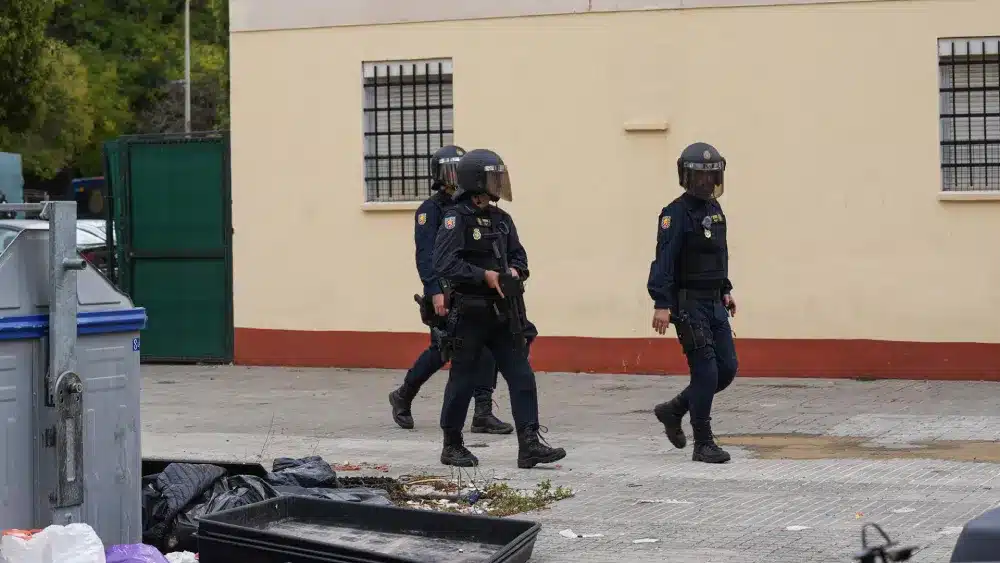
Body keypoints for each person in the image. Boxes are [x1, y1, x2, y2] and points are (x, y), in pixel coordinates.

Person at [432, 148, 565, 468]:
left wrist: (515, 272)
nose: (498, 183)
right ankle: (452, 444)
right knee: (463, 379)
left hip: (504, 313)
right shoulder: (456, 217)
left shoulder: (502, 220)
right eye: (493, 178)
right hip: (470, 313)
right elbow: (444, 262)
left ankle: (529, 444)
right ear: (476, 181)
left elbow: (519, 256)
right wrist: (484, 276)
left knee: (522, 376)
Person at [388, 145, 514, 435]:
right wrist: (435, 291)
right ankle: (404, 395)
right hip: (445, 291)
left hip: (473, 289)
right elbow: (427, 256)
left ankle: (482, 411)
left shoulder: (472, 207)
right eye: (450, 170)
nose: (455, 177)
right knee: (443, 348)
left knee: (486, 346)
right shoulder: (430, 211)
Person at [647, 141, 739, 464]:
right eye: (699, 177)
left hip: (713, 302)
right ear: (687, 178)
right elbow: (664, 261)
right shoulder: (674, 214)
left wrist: (725, 288)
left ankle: (673, 411)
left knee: (726, 370)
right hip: (687, 304)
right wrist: (661, 302)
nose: (706, 183)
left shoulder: (715, 211)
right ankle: (703, 442)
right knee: (705, 372)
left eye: (711, 177)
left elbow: (720, 254)